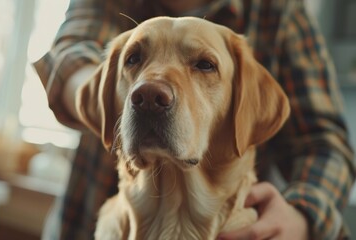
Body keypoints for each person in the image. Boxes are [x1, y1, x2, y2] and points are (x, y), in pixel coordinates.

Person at [34, 0, 355, 239]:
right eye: (134, 59)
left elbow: (324, 142)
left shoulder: (277, 10)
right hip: (84, 223)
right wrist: (109, 95)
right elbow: (70, 56)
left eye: (203, 65)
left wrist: (302, 215)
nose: (150, 91)